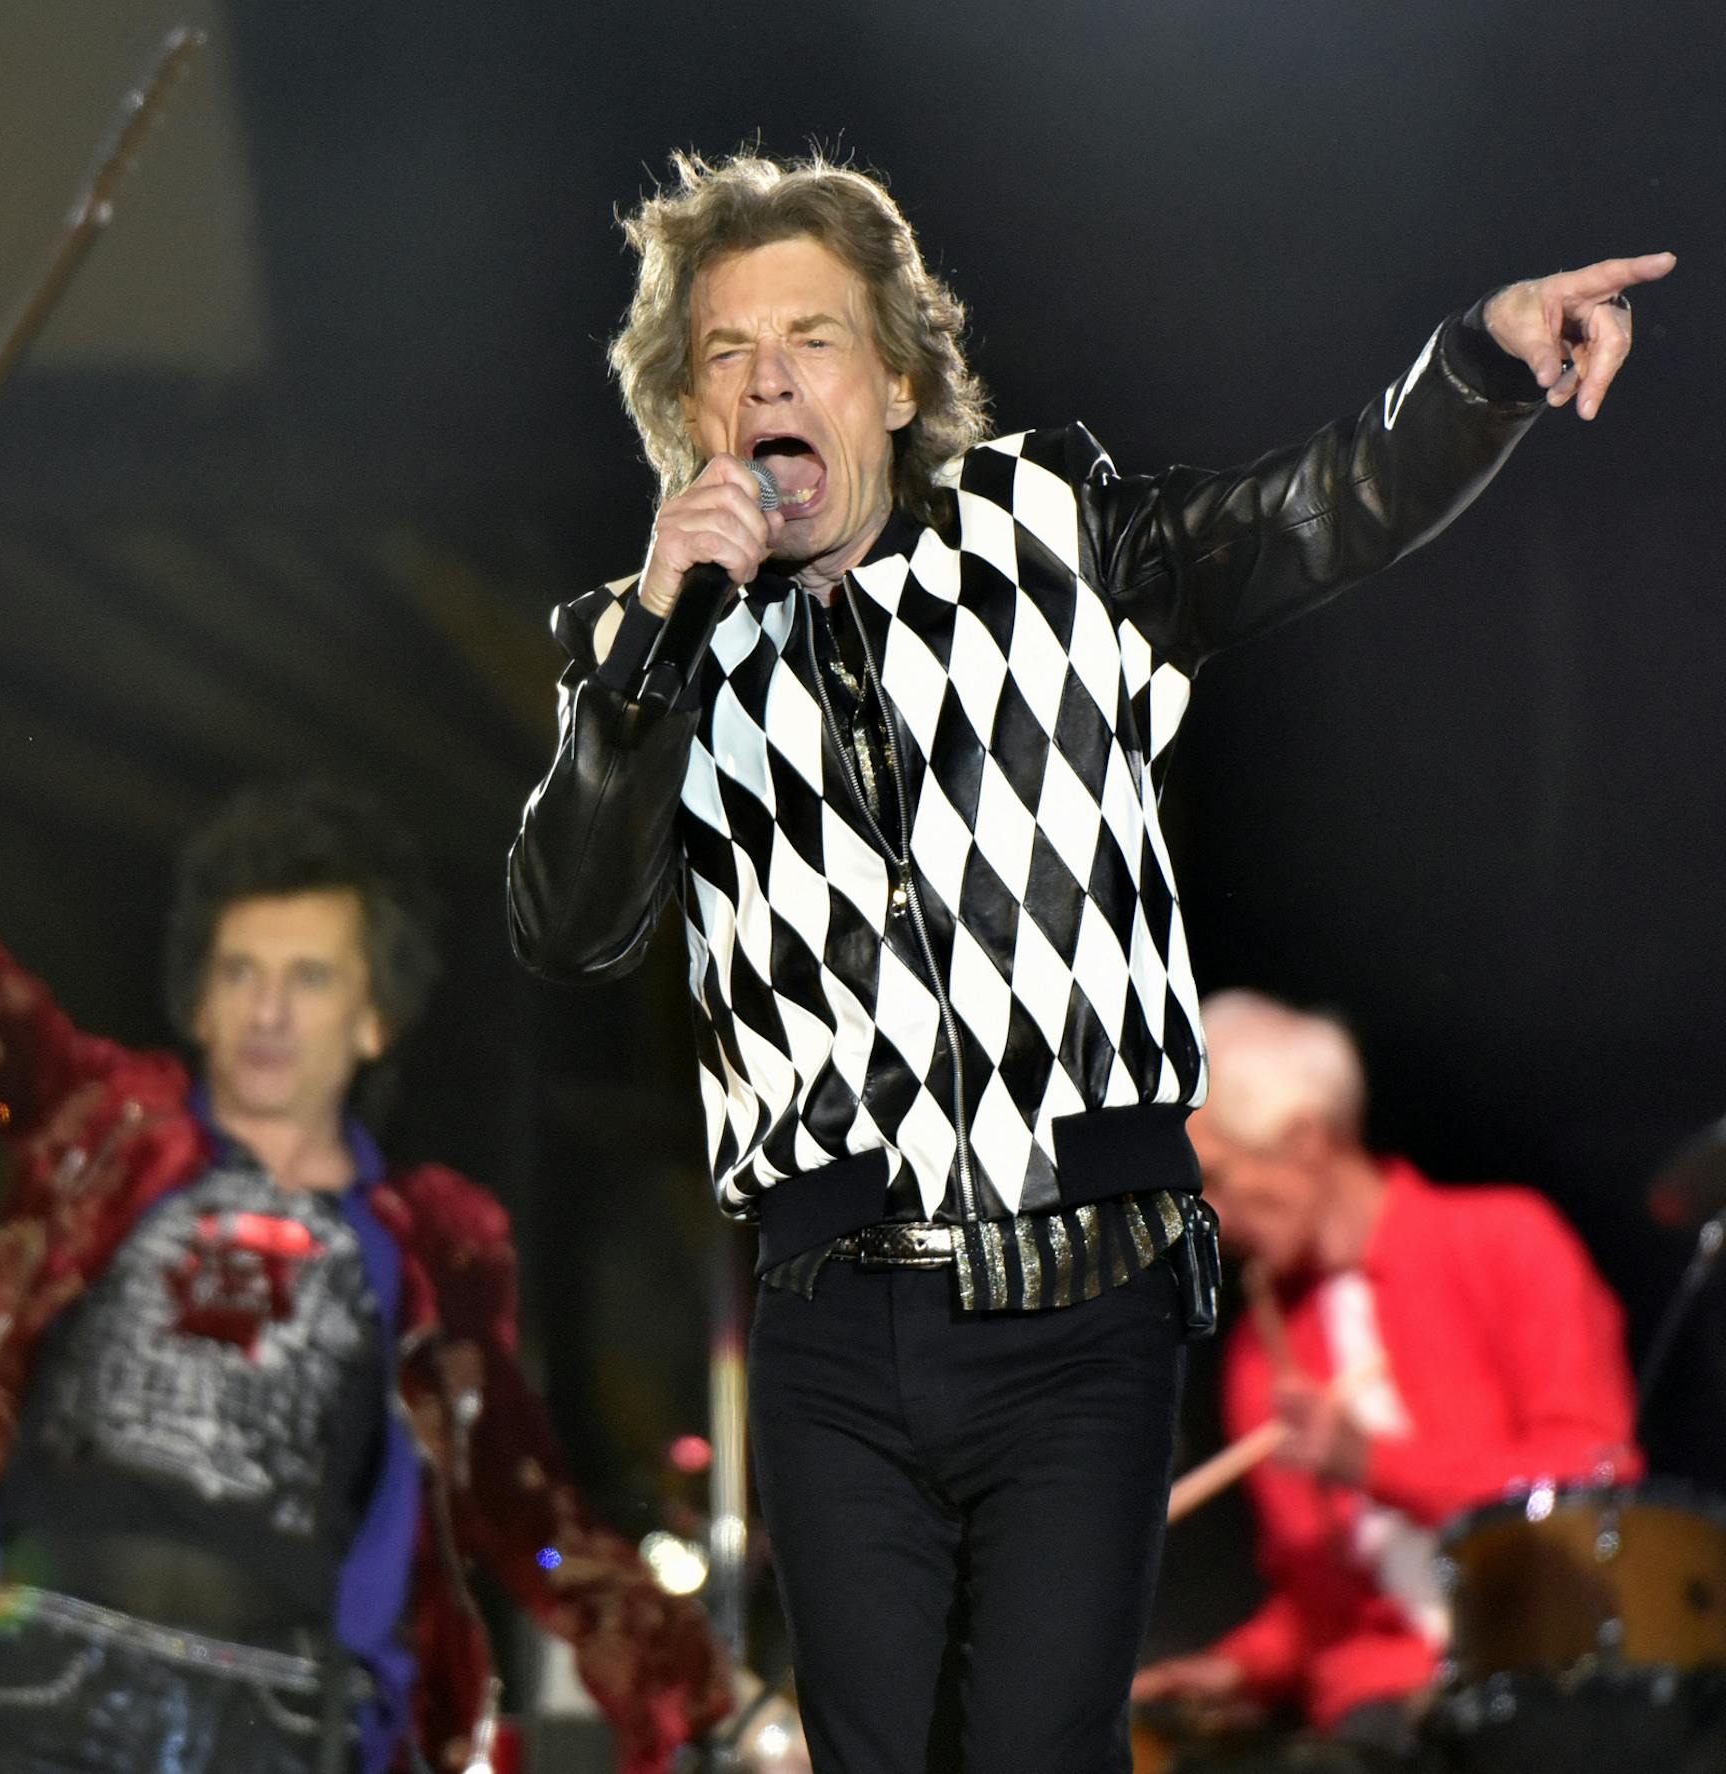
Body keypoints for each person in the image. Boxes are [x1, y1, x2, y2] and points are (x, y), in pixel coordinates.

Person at [503, 148, 1669, 1774]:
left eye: (813, 339)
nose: (769, 379)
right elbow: (567, 925)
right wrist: (645, 656)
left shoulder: (1055, 534)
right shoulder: (648, 654)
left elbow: (1320, 511)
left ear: (897, 381)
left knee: (1042, 1745)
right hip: (836, 1314)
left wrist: (1479, 362)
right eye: (726, 352)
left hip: (1080, 1292)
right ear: (685, 411)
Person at [0, 517, 730, 1774]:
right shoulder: (99, 1131)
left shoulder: (424, 1253)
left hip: (284, 1717)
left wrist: (718, 1704)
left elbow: (534, 1517)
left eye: (308, 978)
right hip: (55, 1681)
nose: (266, 1009)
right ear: (198, 998)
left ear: (373, 1016)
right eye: (241, 972)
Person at [1132, 991, 1640, 1756]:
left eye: (1219, 1182)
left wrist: (1369, 1461)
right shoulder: (1261, 1357)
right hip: (1384, 1715)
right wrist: (1243, 1668)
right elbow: (1320, 1606)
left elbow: (1592, 1484)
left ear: (1306, 1140)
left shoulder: (1504, 1241)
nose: (1212, 1222)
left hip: (1550, 1666)